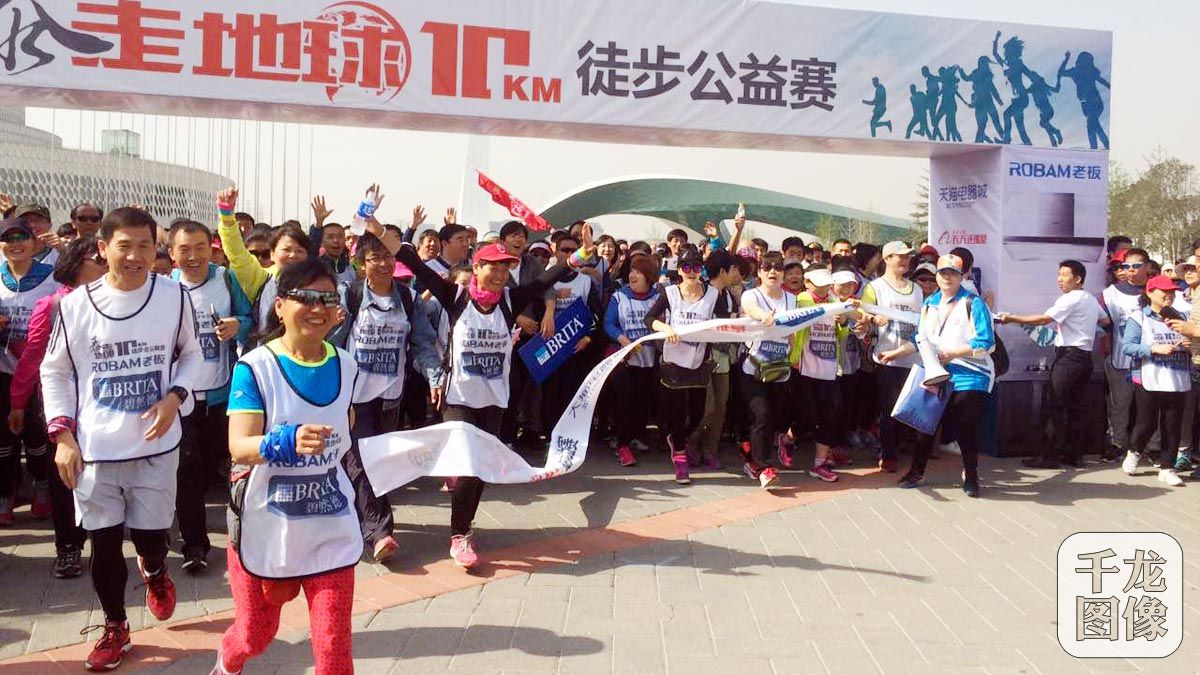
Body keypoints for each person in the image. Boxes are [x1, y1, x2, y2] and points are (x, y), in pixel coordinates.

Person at [41, 207, 202, 671]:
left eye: (145, 246)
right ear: (102, 247)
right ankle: (116, 626)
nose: (134, 256)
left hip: (156, 445)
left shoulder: (173, 298)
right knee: (103, 542)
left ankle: (154, 569)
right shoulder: (73, 306)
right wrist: (64, 436)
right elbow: (56, 372)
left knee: (151, 537)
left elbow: (191, 356)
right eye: (124, 246)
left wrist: (174, 397)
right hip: (95, 449)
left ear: (157, 249)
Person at [219, 259, 361, 674]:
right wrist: (286, 440)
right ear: (280, 305)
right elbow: (238, 446)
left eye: (328, 299)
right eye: (306, 298)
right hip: (267, 524)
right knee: (254, 636)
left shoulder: (347, 366)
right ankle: (226, 662)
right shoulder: (255, 368)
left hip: (328, 526)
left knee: (334, 655)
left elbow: (345, 427)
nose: (318, 308)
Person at [396, 236, 571, 569]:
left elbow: (546, 279)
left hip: (494, 399)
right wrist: (382, 232)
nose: (501, 274)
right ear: (477, 266)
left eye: (507, 268)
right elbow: (418, 266)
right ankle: (459, 534)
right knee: (469, 464)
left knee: (480, 470)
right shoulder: (456, 296)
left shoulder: (510, 300)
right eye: (494, 267)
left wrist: (576, 256)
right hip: (458, 397)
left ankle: (465, 523)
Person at [338, 233, 444, 562]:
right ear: (362, 263)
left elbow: (424, 343)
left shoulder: (410, 299)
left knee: (378, 462)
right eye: (374, 258)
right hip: (353, 397)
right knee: (363, 463)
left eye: (388, 257)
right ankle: (379, 532)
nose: (383, 264)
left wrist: (434, 375)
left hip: (390, 396)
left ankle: (361, 520)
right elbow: (330, 341)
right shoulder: (349, 296)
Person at [9, 237, 105, 577]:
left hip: (105, 406)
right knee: (63, 479)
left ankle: (105, 544)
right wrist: (18, 402)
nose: (106, 262)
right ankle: (68, 548)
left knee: (102, 477)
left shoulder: (120, 302)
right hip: (61, 408)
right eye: (98, 257)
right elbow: (33, 358)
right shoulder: (52, 305)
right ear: (76, 263)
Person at [167, 220, 254, 574]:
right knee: (187, 473)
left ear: (212, 248)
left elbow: (250, 317)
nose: (193, 256)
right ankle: (195, 545)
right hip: (182, 399)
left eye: (200, 247)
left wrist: (238, 325)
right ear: (171, 254)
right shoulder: (163, 288)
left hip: (223, 396)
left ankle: (243, 539)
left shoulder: (225, 279)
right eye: (184, 249)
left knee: (232, 469)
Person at [886, 254, 995, 497]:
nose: (948, 277)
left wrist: (955, 352)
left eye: (953, 273)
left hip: (972, 373)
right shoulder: (929, 304)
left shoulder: (973, 303)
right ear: (937, 275)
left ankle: (971, 474)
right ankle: (917, 471)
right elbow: (921, 338)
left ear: (962, 276)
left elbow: (987, 342)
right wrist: (895, 352)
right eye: (943, 273)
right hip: (938, 372)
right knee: (925, 422)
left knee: (965, 422)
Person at [998, 260, 1106, 468]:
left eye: (1065, 275)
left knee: (1054, 406)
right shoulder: (1090, 299)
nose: (1060, 279)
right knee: (1076, 409)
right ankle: (1073, 455)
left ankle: (1049, 457)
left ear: (1078, 279)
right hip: (1085, 359)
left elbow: (1042, 320)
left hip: (1069, 359)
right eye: (1059, 274)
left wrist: (1011, 318)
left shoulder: (1071, 299)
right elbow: (1104, 321)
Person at [645, 249, 733, 485]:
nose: (692, 272)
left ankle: (677, 441)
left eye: (696, 267)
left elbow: (724, 322)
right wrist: (665, 328)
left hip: (698, 363)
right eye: (686, 268)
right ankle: (681, 460)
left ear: (702, 270)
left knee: (697, 414)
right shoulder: (670, 293)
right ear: (680, 271)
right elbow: (649, 318)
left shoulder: (713, 295)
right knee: (677, 411)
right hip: (673, 362)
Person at [0, 217, 60, 524]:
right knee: (4, 440)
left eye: (21, 237)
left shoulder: (52, 278)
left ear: (33, 241)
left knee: (37, 437)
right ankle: (5, 494)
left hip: (40, 374)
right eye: (8, 239)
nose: (15, 244)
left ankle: (41, 486)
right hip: (4, 371)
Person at [1118, 275, 1189, 486]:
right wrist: (1153, 349)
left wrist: (1188, 343)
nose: (1169, 295)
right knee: (1146, 422)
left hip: (1176, 376)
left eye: (1172, 291)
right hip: (1148, 376)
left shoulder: (1182, 317)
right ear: (1150, 293)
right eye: (1164, 291)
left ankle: (1167, 468)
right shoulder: (1138, 317)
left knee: (1172, 423)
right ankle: (1134, 451)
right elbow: (1128, 347)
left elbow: (1192, 342)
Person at [860, 241, 924, 472]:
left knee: (909, 406)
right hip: (885, 357)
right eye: (900, 256)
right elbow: (861, 312)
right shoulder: (875, 287)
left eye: (908, 257)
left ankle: (905, 447)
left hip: (912, 357)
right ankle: (888, 453)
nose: (905, 260)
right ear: (887, 259)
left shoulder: (916, 289)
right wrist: (871, 319)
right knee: (888, 406)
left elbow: (922, 320)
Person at [737, 252, 792, 488]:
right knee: (761, 414)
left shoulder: (791, 299)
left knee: (773, 418)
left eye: (778, 267)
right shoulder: (752, 294)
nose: (773, 271)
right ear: (759, 272)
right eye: (767, 267)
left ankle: (751, 457)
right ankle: (763, 467)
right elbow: (749, 308)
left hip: (780, 369)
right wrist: (763, 316)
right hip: (753, 367)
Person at [785, 267, 842, 482]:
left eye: (827, 283)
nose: (824, 287)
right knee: (808, 415)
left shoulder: (834, 300)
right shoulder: (801, 300)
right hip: (804, 365)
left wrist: (842, 322)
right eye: (819, 283)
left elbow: (840, 334)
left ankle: (820, 463)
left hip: (828, 366)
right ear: (807, 283)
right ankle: (789, 437)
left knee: (830, 412)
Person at [604, 254, 660, 467]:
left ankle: (636, 436)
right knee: (624, 400)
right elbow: (609, 324)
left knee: (642, 401)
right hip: (623, 358)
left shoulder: (657, 297)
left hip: (648, 359)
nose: (632, 275)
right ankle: (622, 444)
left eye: (638, 272)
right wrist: (623, 340)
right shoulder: (619, 296)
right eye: (631, 271)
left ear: (649, 277)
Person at [1100, 248, 1153, 462]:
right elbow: (1101, 324)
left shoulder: (1158, 290)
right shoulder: (1109, 294)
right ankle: (1118, 443)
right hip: (1120, 360)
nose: (1130, 270)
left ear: (1148, 267)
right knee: (1120, 405)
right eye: (1126, 266)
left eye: (1136, 265)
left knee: (1150, 407)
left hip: (1152, 361)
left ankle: (1152, 446)